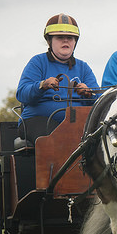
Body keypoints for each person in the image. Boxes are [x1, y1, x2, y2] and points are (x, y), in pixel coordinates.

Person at [16, 13, 99, 145]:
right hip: (37, 120)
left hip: (78, 122)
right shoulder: (37, 62)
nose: (66, 41)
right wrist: (42, 85)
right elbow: (22, 94)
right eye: (60, 37)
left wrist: (89, 92)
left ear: (75, 42)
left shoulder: (84, 67)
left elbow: (99, 101)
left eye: (70, 38)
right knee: (61, 136)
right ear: (50, 41)